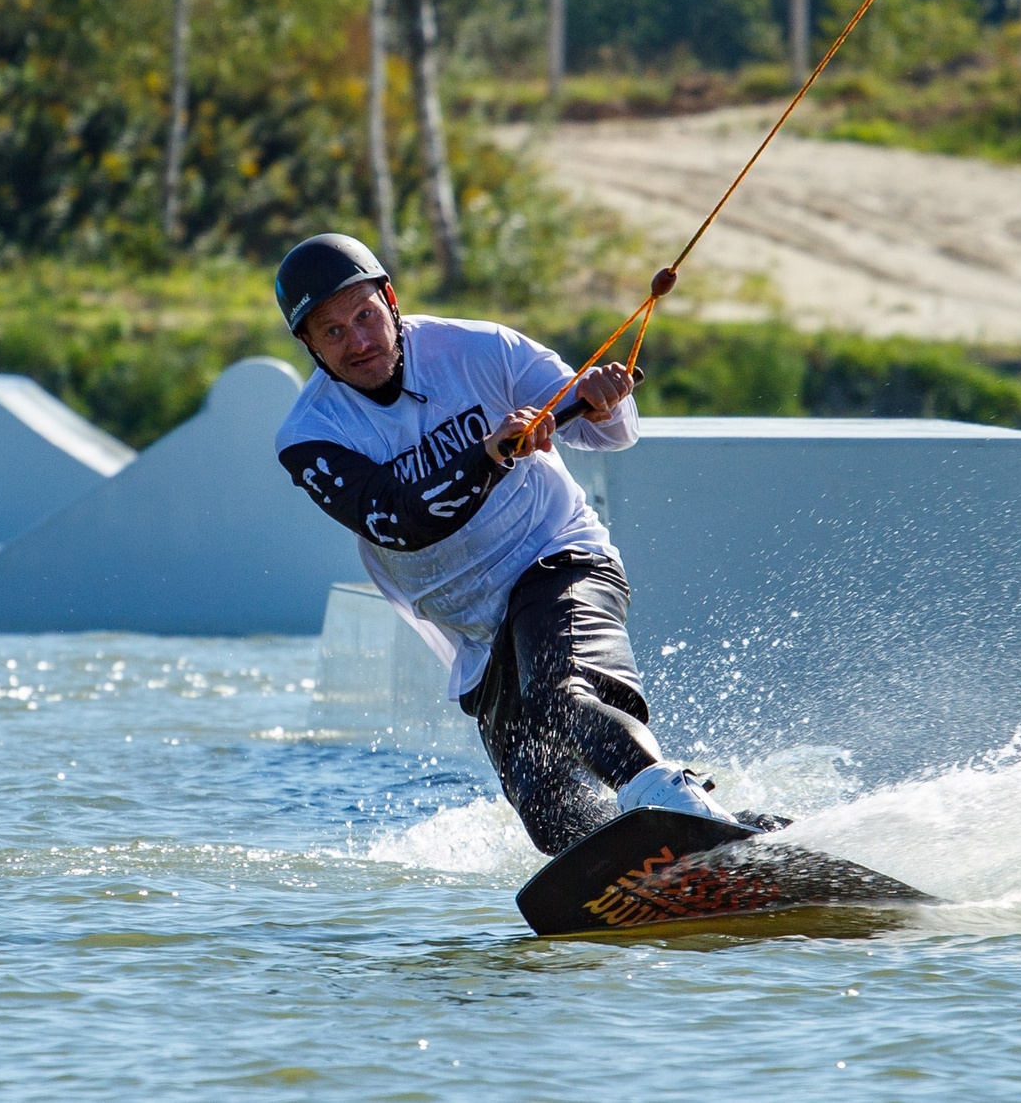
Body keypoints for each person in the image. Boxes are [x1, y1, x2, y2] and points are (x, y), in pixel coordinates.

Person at [268, 231, 743, 855]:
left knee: (560, 693)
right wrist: (487, 454)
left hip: (556, 558)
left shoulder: (479, 347)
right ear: (308, 344)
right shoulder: (308, 435)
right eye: (332, 332)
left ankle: (675, 800)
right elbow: (397, 521)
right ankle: (650, 861)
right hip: (475, 630)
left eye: (365, 316)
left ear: (390, 300)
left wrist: (601, 402)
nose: (358, 342)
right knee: (546, 809)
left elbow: (610, 434)